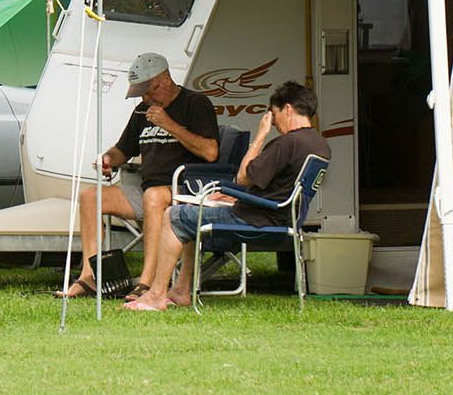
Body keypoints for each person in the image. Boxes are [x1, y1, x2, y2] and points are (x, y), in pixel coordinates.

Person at [125, 79, 331, 311]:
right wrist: (236, 196)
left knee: (173, 216)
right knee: (192, 214)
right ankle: (182, 291)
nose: (273, 123)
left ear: (288, 109)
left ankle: (156, 295)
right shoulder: (319, 145)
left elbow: (243, 177)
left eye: (274, 114)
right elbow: (279, 189)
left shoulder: (286, 143)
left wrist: (260, 137)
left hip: (257, 219)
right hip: (282, 216)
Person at [59, 52, 219, 300]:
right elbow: (123, 149)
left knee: (153, 197)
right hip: (147, 190)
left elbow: (210, 152)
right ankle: (89, 276)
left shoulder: (196, 104)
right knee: (91, 197)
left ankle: (147, 282)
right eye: (141, 93)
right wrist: (108, 159)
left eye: (150, 91)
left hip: (183, 190)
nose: (146, 98)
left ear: (165, 79)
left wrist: (170, 125)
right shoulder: (142, 112)